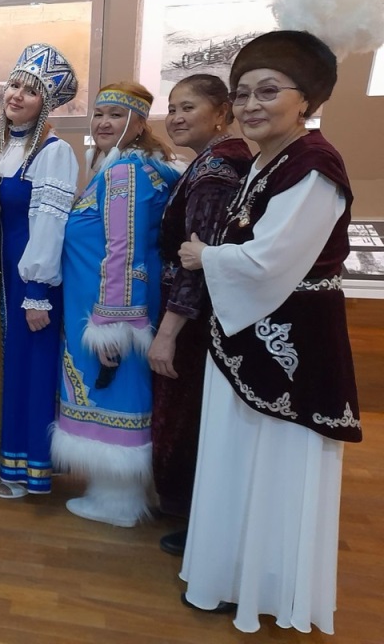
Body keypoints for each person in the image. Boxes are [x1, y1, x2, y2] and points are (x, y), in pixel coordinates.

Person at [178, 31, 363, 633]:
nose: (251, 105)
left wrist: (206, 257)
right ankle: (230, 572)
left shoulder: (313, 166)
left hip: (293, 339)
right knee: (238, 456)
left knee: (276, 459)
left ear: (305, 98)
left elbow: (271, 259)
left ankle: (268, 583)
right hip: (250, 327)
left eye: (268, 91)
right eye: (242, 93)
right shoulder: (268, 161)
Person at [52, 81, 180, 527]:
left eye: (116, 115)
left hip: (109, 310)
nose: (103, 123)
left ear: (140, 123)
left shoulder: (125, 172)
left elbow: (124, 251)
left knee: (114, 392)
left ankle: (118, 501)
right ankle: (117, 493)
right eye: (99, 113)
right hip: (101, 305)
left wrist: (112, 323)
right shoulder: (132, 167)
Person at [146, 75, 252, 555]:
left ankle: (200, 526)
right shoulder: (211, 163)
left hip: (195, 321)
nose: (176, 117)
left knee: (187, 418)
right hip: (201, 313)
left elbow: (197, 263)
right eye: (172, 108)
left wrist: (168, 332)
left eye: (188, 107)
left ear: (222, 113)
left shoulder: (215, 173)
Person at [0, 44, 79, 499]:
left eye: (30, 90)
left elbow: (50, 224)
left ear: (46, 103)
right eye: (14, 85)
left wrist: (37, 290)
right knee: (9, 365)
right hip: (3, 273)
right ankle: (8, 458)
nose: (17, 95)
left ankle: (29, 471)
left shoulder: (54, 152)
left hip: (30, 278)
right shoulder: (3, 148)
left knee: (30, 368)